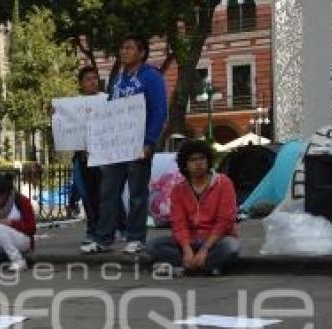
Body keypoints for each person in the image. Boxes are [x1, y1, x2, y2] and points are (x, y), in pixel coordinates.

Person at [81, 34, 167, 255]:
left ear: (141, 52)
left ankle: (136, 237)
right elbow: (110, 112)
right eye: (122, 48)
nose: (124, 51)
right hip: (115, 146)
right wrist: (98, 139)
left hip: (138, 144)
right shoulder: (118, 80)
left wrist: (150, 141)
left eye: (129, 48)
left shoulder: (152, 77)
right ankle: (104, 238)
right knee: (108, 192)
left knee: (137, 193)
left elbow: (159, 111)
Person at [146, 139, 239, 277]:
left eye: (202, 158)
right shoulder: (178, 189)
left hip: (216, 240)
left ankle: (183, 267)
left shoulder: (223, 183)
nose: (198, 163)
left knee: (231, 247)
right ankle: (207, 266)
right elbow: (178, 224)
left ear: (208, 160)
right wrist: (187, 250)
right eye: (193, 160)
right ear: (185, 165)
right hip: (190, 240)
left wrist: (205, 249)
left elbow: (225, 221)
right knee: (152, 246)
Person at [0, 174, 36, 272]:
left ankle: (18, 261)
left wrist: (11, 223)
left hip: (23, 240)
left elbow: (31, 229)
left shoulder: (21, 201)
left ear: (7, 192)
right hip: (4, 239)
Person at [71, 66, 104, 244]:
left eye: (95, 78)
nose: (93, 82)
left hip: (103, 158)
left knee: (103, 195)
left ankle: (108, 230)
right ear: (81, 84)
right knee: (87, 195)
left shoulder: (105, 100)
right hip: (82, 158)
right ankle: (92, 230)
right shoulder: (74, 104)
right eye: (88, 79)